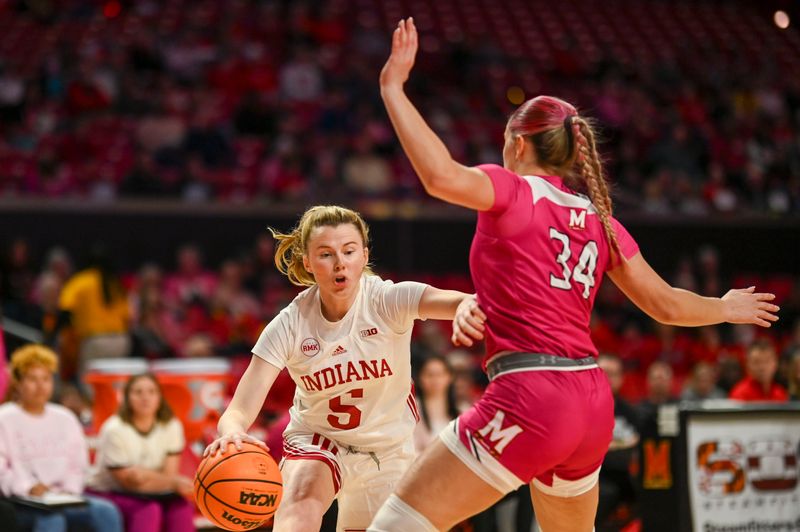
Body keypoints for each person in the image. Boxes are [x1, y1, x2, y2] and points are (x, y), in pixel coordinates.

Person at [369, 18, 780, 532]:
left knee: (396, 525)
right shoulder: (598, 217)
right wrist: (722, 307)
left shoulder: (513, 191)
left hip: (531, 393)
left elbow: (439, 176)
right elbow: (667, 305)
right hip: (590, 403)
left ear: (518, 145)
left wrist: (393, 89)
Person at [204, 205, 479, 532]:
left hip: (387, 450)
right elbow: (238, 409)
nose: (340, 263)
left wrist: (464, 308)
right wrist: (233, 432)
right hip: (319, 442)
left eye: (349, 251)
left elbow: (461, 301)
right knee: (299, 513)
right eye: (325, 254)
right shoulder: (290, 324)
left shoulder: (387, 301)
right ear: (307, 261)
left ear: (363, 256)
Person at [0, 344, 123, 532]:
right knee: (51, 518)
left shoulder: (65, 417)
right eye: (32, 379)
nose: (40, 386)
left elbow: (78, 465)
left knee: (106, 511)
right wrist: (28, 488)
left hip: (64, 497)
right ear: (18, 382)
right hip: (22, 502)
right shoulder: (5, 417)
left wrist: (70, 490)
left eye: (46, 379)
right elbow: (2, 469)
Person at [87, 373, 195, 532]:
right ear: (126, 398)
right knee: (148, 510)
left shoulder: (172, 425)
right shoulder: (114, 429)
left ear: (159, 397)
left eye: (151, 392)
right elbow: (129, 483)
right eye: (138, 392)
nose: (145, 397)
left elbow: (169, 474)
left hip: (152, 490)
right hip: (109, 491)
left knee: (182, 508)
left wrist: (144, 474)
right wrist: (171, 482)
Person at [413, 354, 459, 453]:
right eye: (430, 375)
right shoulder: (411, 409)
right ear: (420, 378)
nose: (435, 380)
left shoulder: (462, 410)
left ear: (450, 377)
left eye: (440, 374)